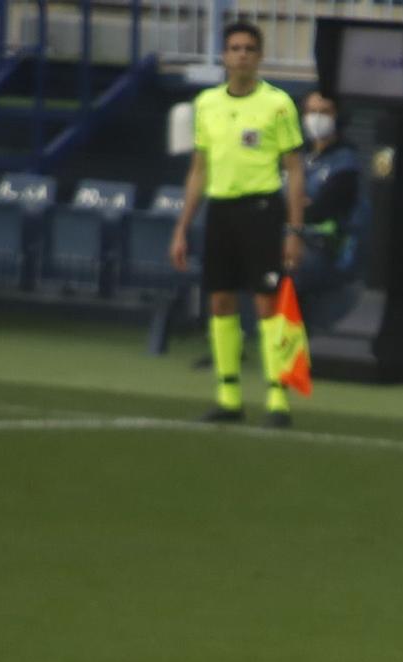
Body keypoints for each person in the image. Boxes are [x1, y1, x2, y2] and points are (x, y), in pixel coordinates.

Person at [171, 22, 305, 429]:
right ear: (225, 56)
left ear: (259, 56)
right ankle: (228, 396)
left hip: (262, 210)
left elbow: (295, 171)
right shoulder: (207, 104)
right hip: (221, 211)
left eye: (249, 48)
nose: (241, 55)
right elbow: (198, 169)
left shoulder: (277, 104)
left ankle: (277, 398)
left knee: (267, 304)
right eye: (234, 48)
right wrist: (182, 227)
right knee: (220, 301)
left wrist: (293, 231)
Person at [292, 90, 363, 329]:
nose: (316, 118)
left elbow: (320, 211)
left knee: (289, 267)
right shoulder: (301, 156)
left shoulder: (346, 162)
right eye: (311, 112)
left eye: (324, 112)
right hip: (291, 237)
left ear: (338, 117)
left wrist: (295, 206)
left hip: (325, 248)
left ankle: (297, 346)